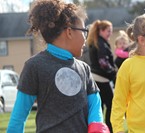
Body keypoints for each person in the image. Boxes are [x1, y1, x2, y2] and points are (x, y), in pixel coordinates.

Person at [7, 0, 110, 133]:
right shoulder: (34, 66)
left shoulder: (84, 69)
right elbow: (18, 117)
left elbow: (94, 106)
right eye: (84, 31)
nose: (86, 38)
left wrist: (96, 128)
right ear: (69, 32)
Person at [87, 20, 116, 133]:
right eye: (108, 31)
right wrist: (114, 72)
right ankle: (109, 128)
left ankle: (100, 129)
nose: (110, 33)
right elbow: (103, 62)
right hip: (101, 79)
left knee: (99, 107)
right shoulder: (101, 43)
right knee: (110, 106)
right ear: (101, 30)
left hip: (96, 78)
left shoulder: (96, 42)